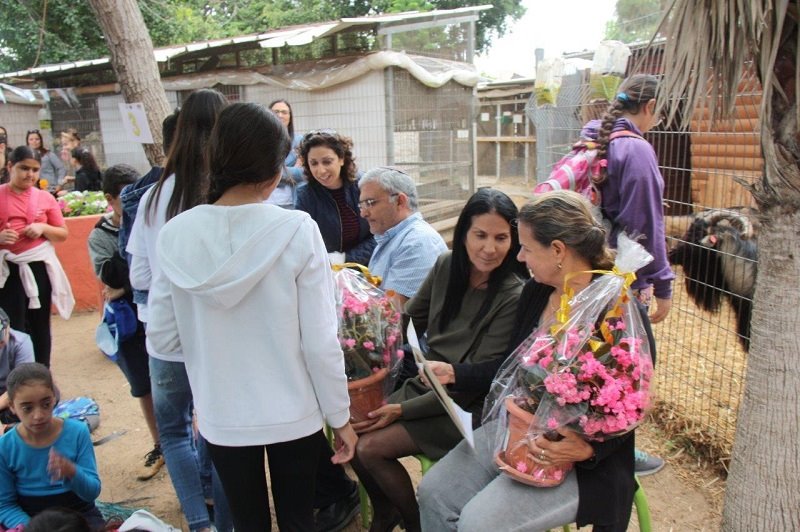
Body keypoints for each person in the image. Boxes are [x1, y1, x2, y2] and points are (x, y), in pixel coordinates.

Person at [146, 102, 357, 532]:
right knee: (299, 519)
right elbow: (320, 341)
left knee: (247, 522)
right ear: (275, 170)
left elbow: (164, 340)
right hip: (293, 410)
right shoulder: (297, 230)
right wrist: (340, 418)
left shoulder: (174, 234)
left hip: (222, 414)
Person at [417, 190, 657, 532]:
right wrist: (456, 373)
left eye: (527, 247)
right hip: (514, 430)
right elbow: (511, 369)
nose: (519, 255)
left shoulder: (617, 310)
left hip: (580, 461)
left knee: (478, 524)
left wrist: (586, 450)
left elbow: (630, 404)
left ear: (558, 251)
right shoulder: (536, 293)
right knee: (435, 493)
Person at [350, 188, 528, 532]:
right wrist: (363, 340)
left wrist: (400, 410)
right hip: (425, 384)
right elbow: (409, 320)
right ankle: (387, 512)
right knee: (354, 435)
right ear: (463, 234)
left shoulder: (513, 294)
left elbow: (477, 380)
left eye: (501, 237)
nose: (489, 248)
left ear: (514, 240)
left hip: (464, 407)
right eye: (480, 235)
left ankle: (417, 523)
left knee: (370, 448)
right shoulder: (447, 265)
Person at [127, 89, 228, 532]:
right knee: (222, 426)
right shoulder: (228, 192)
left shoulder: (153, 196)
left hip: (167, 331)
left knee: (173, 430)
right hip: (219, 329)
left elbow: (140, 276)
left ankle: (198, 521)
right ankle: (222, 517)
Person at [583, 73, 673, 475]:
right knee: (625, 365)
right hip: (622, 277)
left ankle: (594, 438)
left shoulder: (593, 138)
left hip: (587, 270)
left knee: (593, 358)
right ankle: (618, 450)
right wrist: (664, 282)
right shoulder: (636, 151)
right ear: (650, 106)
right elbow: (646, 227)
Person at [86, 164, 163, 481]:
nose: (135, 201)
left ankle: (189, 443)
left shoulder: (152, 222)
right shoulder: (100, 235)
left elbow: (151, 272)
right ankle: (161, 445)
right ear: (109, 199)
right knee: (143, 385)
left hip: (156, 313)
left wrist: (125, 285)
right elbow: (112, 275)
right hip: (129, 321)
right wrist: (129, 233)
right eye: (126, 196)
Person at [0, 363, 103, 529]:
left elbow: (92, 492)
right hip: (29, 517)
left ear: (54, 398)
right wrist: (33, 527)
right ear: (12, 406)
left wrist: (72, 472)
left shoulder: (77, 432)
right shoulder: (5, 446)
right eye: (27, 408)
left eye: (46, 404)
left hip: (78, 513)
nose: (38, 415)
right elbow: (5, 505)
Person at [0, 146, 73, 368]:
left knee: (40, 324)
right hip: (9, 271)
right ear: (10, 167)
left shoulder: (45, 198)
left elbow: (62, 234)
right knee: (13, 325)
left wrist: (42, 227)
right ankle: (18, 377)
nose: (29, 175)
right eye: (24, 168)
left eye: (35, 170)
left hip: (38, 267)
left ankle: (42, 373)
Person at [119, 109, 180, 323]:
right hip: (183, 319)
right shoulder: (201, 194)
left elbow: (139, 275)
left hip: (153, 314)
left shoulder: (146, 195)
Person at [360, 167, 447, 308]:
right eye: (361, 205)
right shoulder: (393, 238)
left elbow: (391, 313)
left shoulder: (417, 243)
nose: (363, 214)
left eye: (370, 203)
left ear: (399, 201)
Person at [295, 130, 375, 265]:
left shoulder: (364, 186)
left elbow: (381, 235)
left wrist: (345, 258)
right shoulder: (305, 196)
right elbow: (301, 243)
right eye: (314, 163)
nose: (321, 170)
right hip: (325, 270)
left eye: (327, 162)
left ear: (341, 159)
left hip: (367, 269)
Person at [0, 307, 34, 427]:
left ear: (8, 327)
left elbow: (21, 385)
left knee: (40, 395)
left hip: (9, 396)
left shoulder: (21, 342)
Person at [267, 99, 304, 209]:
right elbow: (263, 172)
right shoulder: (259, 141)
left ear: (290, 116)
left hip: (292, 202)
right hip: (265, 201)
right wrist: (294, 170)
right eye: (276, 111)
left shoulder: (299, 141)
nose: (280, 115)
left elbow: (304, 173)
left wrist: (274, 173)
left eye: (284, 112)